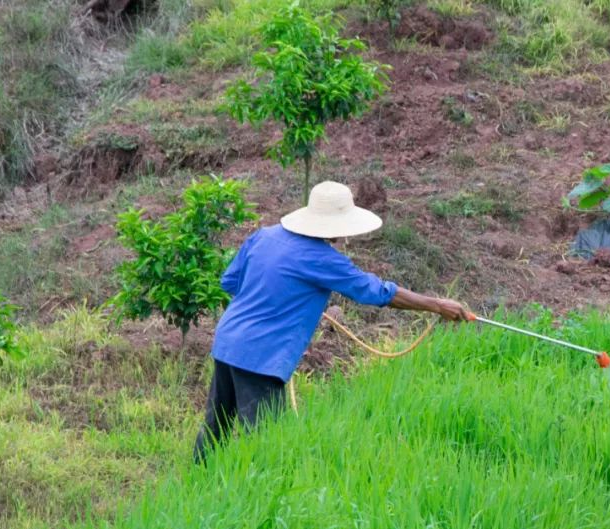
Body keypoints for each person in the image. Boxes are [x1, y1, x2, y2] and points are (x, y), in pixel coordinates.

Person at [193, 181, 468, 461]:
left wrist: (274, 297)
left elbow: (230, 281)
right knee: (266, 442)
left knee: (215, 427)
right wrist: (437, 305)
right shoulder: (323, 259)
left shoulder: (264, 236)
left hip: (228, 341)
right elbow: (376, 291)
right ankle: (259, 487)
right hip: (261, 355)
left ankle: (199, 478)